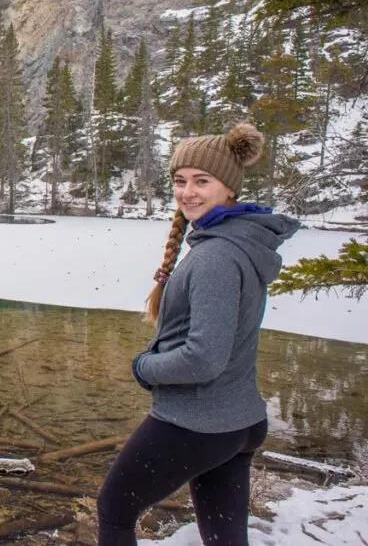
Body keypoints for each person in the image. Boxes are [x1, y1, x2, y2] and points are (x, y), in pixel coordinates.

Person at [97, 123, 300, 545]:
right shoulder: (241, 242)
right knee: (224, 536)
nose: (188, 192)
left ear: (229, 187)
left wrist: (145, 367)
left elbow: (205, 357)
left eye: (202, 181)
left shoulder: (216, 257)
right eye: (180, 181)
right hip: (239, 420)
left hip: (198, 423)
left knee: (114, 512)